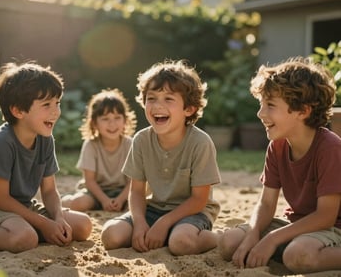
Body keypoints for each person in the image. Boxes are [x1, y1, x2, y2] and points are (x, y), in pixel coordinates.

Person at [219, 57, 341, 274]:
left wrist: (273, 239)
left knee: (297, 256)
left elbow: (326, 216)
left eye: (271, 106)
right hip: (296, 226)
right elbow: (266, 204)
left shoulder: (330, 148)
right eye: (261, 104)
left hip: (332, 230)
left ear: (303, 111)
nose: (260, 113)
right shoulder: (277, 146)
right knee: (229, 242)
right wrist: (254, 233)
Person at [0, 62, 92, 253]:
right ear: (18, 111)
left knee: (83, 225)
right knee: (25, 238)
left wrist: (57, 218)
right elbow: (1, 200)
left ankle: (23, 230)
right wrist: (44, 224)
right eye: (46, 105)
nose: (55, 111)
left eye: (57, 103)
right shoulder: (0, 142)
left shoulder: (45, 139)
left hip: (23, 207)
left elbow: (49, 191)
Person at [101, 60, 221, 256]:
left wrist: (164, 223)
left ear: (189, 109)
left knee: (181, 244)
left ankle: (217, 238)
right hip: (153, 209)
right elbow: (137, 191)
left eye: (168, 99)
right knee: (111, 236)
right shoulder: (141, 140)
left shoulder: (200, 142)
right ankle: (166, 234)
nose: (157, 106)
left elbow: (199, 200)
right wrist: (140, 223)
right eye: (152, 98)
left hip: (192, 213)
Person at [61, 88, 137, 212]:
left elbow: (133, 181)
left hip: (124, 192)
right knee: (79, 203)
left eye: (117, 118)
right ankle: (63, 200)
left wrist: (121, 199)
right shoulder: (91, 145)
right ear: (94, 123)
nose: (112, 124)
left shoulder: (130, 144)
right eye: (105, 119)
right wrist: (104, 200)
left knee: (139, 205)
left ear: (125, 120)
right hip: (96, 192)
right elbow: (89, 181)